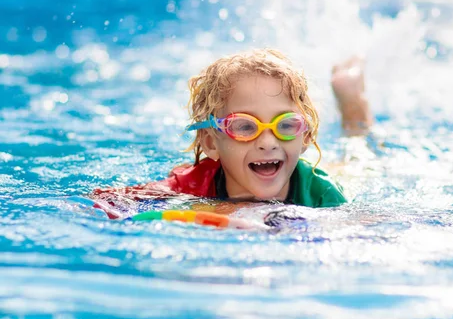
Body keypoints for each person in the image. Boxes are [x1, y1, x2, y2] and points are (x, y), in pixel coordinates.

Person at [91, 48, 373, 219]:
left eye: (286, 125)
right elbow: (102, 201)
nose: (267, 142)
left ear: (306, 137)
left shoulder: (323, 194)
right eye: (245, 126)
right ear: (212, 141)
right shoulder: (192, 186)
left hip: (339, 177)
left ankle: (352, 104)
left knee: (357, 157)